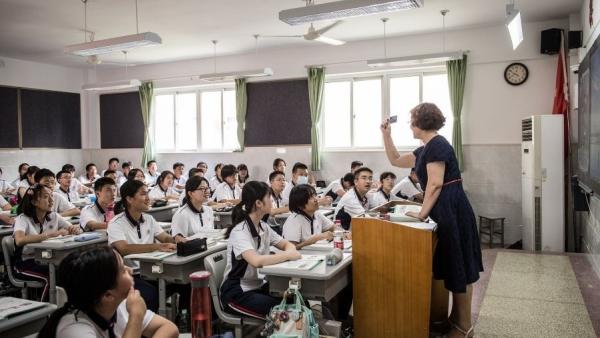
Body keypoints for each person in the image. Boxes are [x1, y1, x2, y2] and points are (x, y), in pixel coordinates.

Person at [381, 103, 482, 338]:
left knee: (460, 267)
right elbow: (395, 160)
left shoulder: (438, 144)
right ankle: (455, 318)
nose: (409, 125)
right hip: (445, 208)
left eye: (411, 121)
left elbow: (435, 183)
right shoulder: (424, 149)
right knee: (455, 266)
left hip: (451, 208)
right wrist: (386, 135)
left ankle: (464, 327)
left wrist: (421, 213)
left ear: (420, 122)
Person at [38, 247, 178, 338]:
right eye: (123, 270)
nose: (130, 270)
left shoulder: (119, 304)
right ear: (107, 295)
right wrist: (136, 316)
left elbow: (169, 328)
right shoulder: (74, 329)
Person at [220, 181, 300, 319]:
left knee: (299, 304)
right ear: (258, 203)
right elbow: (256, 261)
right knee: (289, 314)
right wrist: (288, 255)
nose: (272, 201)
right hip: (238, 293)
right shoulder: (240, 231)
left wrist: (290, 251)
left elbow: (287, 245)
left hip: (259, 286)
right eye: (269, 198)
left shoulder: (263, 226)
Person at [108, 180, 177, 312]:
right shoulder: (116, 223)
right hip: (130, 274)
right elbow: (124, 249)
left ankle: (184, 322)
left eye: (148, 193)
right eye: (143, 194)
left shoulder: (149, 219)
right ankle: (146, 329)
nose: (148, 198)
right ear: (129, 199)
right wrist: (157, 247)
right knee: (150, 294)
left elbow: (164, 237)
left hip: (152, 270)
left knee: (184, 284)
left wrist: (175, 239)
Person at [12, 184, 81, 301]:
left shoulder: (54, 216)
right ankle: (47, 312)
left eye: (51, 196)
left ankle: (69, 305)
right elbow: (19, 240)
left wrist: (75, 230)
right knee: (52, 276)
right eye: (45, 197)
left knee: (73, 269)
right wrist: (50, 235)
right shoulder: (22, 218)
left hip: (50, 260)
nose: (51, 200)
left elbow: (74, 229)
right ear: (34, 202)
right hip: (26, 263)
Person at [282, 184, 336, 249]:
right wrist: (315, 239)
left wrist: (343, 234)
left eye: (314, 195)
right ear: (300, 205)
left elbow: (334, 228)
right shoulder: (294, 220)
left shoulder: (316, 214)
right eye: (310, 197)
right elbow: (290, 248)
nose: (316, 199)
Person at [171, 176, 215, 243]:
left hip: (209, 247)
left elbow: (211, 234)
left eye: (207, 188)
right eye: (202, 189)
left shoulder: (209, 210)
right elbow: (179, 242)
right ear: (190, 193)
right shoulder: (182, 214)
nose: (207, 191)